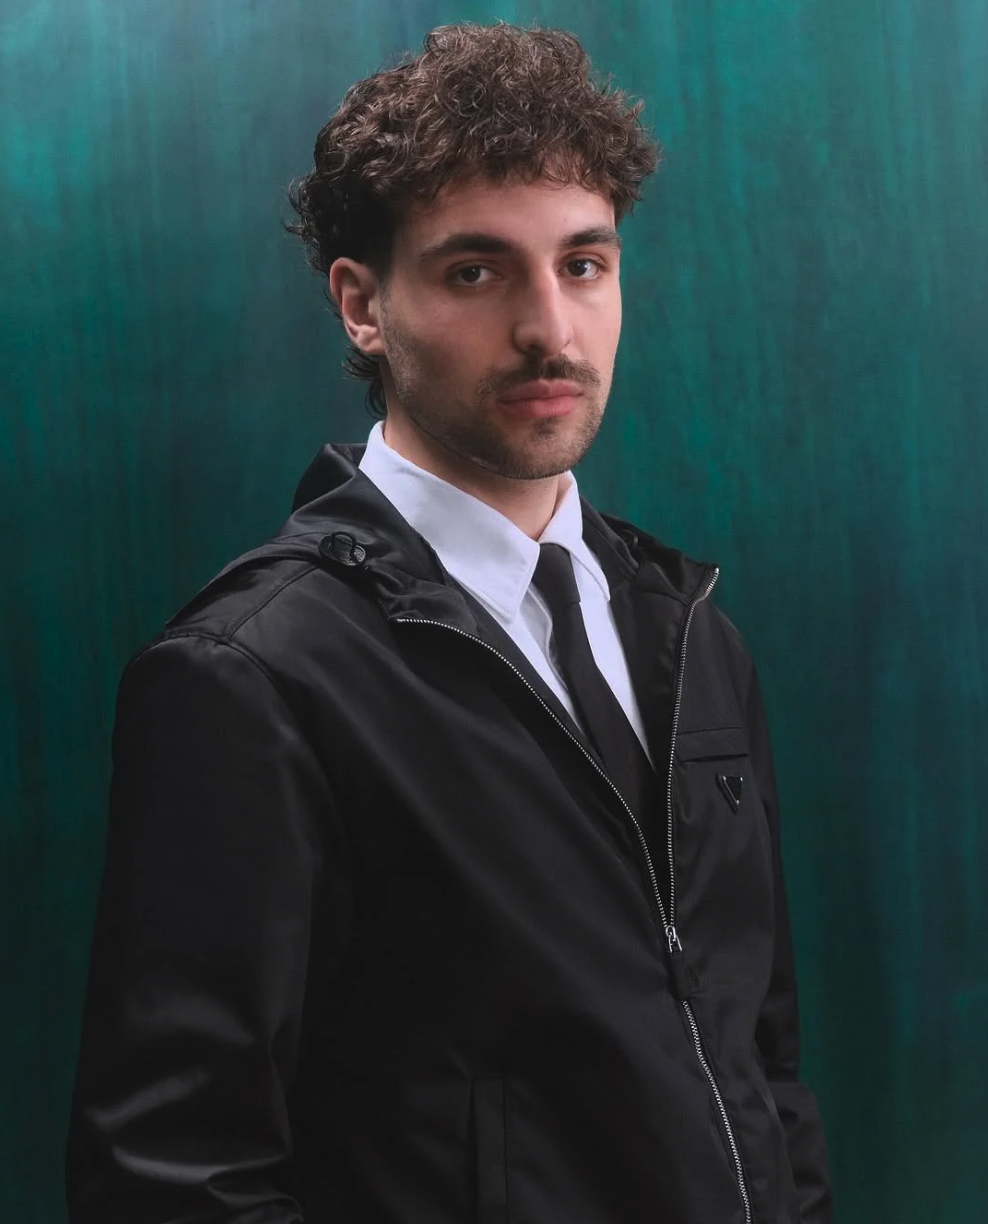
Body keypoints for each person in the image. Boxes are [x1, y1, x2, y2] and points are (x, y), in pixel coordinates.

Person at [66, 20, 832, 1224]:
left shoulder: (691, 638)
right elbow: (172, 1175)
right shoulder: (252, 677)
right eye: (477, 272)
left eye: (583, 264)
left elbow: (760, 1066)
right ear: (361, 306)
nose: (550, 329)